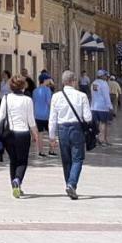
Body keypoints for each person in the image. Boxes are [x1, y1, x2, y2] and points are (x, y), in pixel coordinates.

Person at [49, 70, 92, 200]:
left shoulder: (56, 96)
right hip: (77, 129)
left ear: (63, 82)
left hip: (62, 129)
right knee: (78, 158)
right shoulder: (82, 96)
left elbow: (52, 118)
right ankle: (71, 184)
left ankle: (69, 183)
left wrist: (52, 137)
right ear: (73, 81)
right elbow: (87, 117)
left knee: (66, 159)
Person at [0, 75, 39, 198]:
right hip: (23, 134)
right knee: (22, 161)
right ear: (23, 86)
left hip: (9, 134)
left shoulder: (5, 98)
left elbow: (1, 118)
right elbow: (31, 121)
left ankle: (14, 187)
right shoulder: (27, 100)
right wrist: (36, 135)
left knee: (13, 161)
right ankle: (18, 180)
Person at [89, 69, 113, 145]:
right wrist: (110, 106)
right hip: (103, 107)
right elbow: (106, 96)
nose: (106, 77)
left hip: (94, 107)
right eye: (105, 75)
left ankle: (100, 138)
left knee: (97, 123)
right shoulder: (104, 84)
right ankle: (102, 140)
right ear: (102, 76)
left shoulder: (93, 83)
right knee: (103, 123)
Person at [32, 75, 53, 157]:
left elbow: (33, 102)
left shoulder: (35, 90)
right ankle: (51, 150)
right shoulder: (47, 90)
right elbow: (49, 102)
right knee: (50, 133)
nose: (49, 81)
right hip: (46, 115)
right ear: (44, 80)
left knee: (40, 134)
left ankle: (41, 151)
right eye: (48, 79)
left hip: (37, 115)